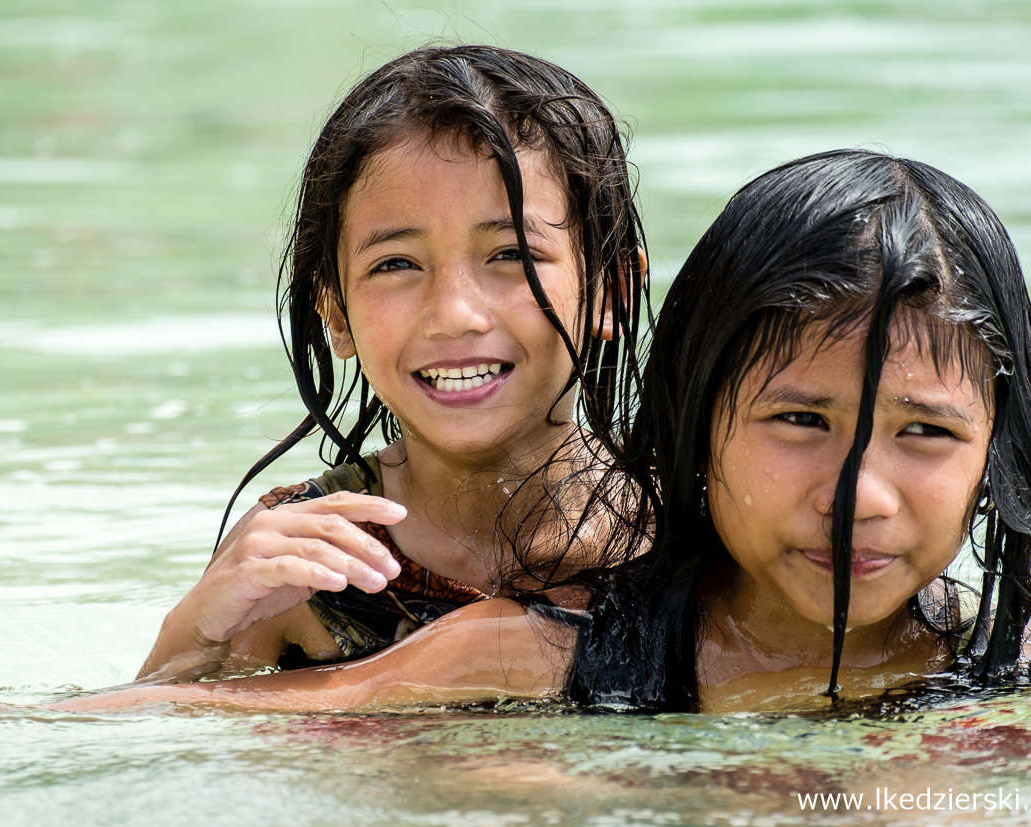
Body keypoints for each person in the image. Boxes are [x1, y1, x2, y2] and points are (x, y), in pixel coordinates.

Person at [0, 148, 1031, 716]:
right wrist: (187, 633)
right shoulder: (523, 652)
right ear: (697, 420)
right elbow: (150, 735)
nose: (861, 493)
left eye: (927, 434)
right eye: (801, 420)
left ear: (995, 451)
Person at [135, 44, 650, 683]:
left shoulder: (679, 537)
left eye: (513, 255)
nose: (456, 314)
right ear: (338, 315)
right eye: (397, 265)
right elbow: (168, 730)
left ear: (610, 291)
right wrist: (192, 633)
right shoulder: (303, 564)